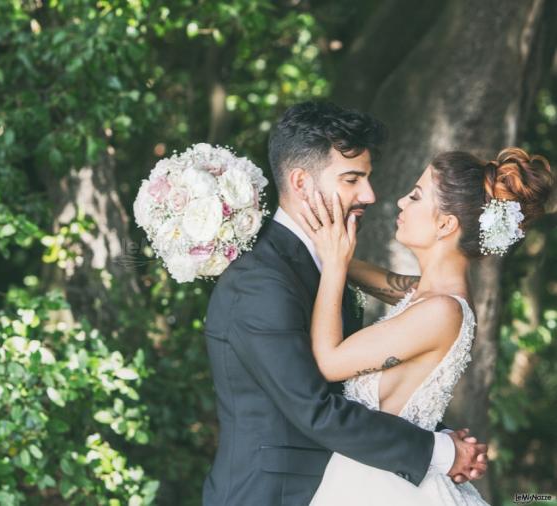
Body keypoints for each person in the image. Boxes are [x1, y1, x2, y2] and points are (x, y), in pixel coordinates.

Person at [202, 101, 489, 506]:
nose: (370, 195)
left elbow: (363, 386)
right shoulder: (260, 281)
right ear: (301, 183)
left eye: (367, 178)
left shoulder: (327, 262)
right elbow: (317, 409)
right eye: (353, 179)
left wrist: (436, 435)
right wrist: (438, 451)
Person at [301, 147, 553, 505]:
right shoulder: (426, 295)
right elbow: (379, 280)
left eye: (416, 196)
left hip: (380, 485)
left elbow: (328, 361)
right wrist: (318, 242)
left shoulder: (441, 311)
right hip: (369, 472)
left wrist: (335, 264)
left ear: (445, 224)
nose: (402, 202)